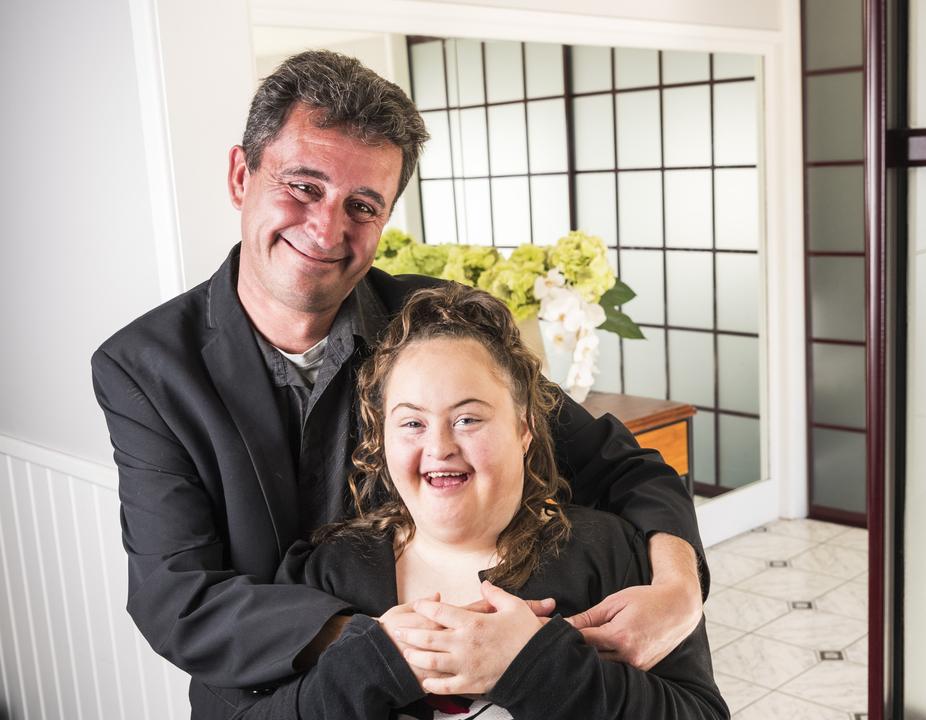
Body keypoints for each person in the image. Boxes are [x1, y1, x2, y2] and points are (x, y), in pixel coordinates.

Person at [91, 50, 706, 718]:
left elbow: (625, 470)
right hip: (270, 694)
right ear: (243, 175)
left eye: (362, 204)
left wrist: (678, 589)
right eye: (303, 186)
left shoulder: (431, 326)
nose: (327, 229)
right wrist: (395, 648)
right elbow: (176, 595)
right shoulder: (145, 367)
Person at [231, 284, 728, 719]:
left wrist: (534, 665)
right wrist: (373, 662)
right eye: (411, 423)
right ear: (381, 440)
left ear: (525, 429)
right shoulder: (326, 570)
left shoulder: (609, 553)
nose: (440, 446)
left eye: (468, 419)